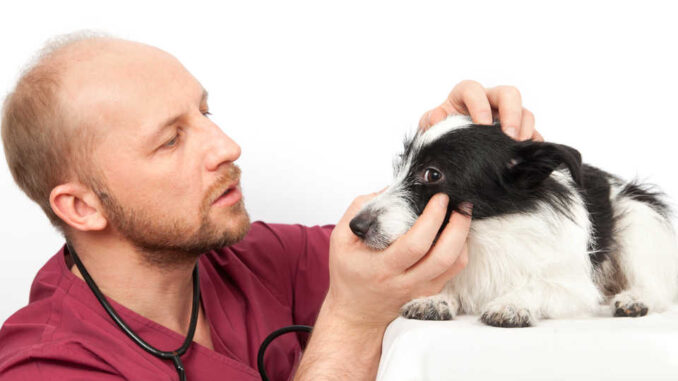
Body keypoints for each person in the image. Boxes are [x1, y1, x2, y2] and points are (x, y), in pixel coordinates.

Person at [0, 33, 540, 380]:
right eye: (171, 140)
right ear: (82, 206)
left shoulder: (258, 258)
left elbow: (445, 253)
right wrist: (352, 322)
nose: (226, 146)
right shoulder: (45, 367)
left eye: (205, 113)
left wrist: (465, 152)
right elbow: (362, 300)